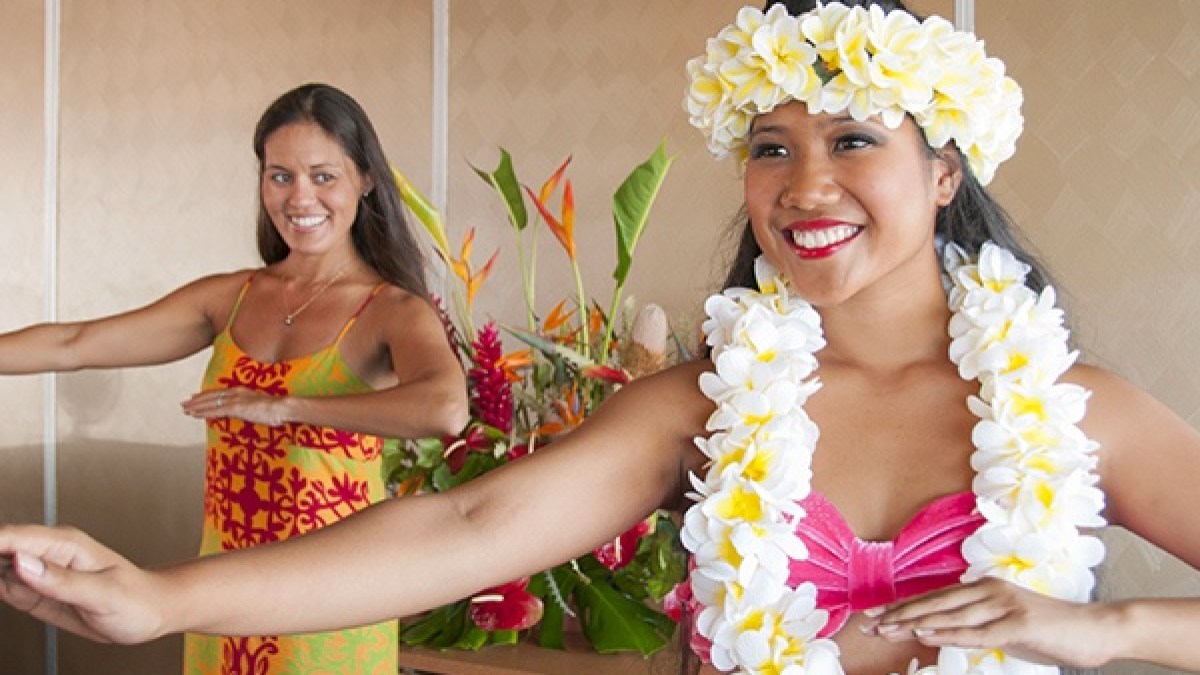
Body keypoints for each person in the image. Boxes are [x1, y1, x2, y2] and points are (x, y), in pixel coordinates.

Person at [4, 3, 1200, 673]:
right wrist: (163, 597)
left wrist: (1109, 629)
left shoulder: (1080, 409)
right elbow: (472, 523)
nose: (804, 184)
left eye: (853, 142)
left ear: (944, 174)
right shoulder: (707, 405)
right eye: (771, 149)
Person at [0, 83, 469, 675]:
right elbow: (75, 343)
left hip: (327, 602)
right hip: (221, 603)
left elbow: (445, 408)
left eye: (323, 176)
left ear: (365, 180)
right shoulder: (232, 296)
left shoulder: (389, 310)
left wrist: (288, 408)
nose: (300, 196)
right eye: (280, 176)